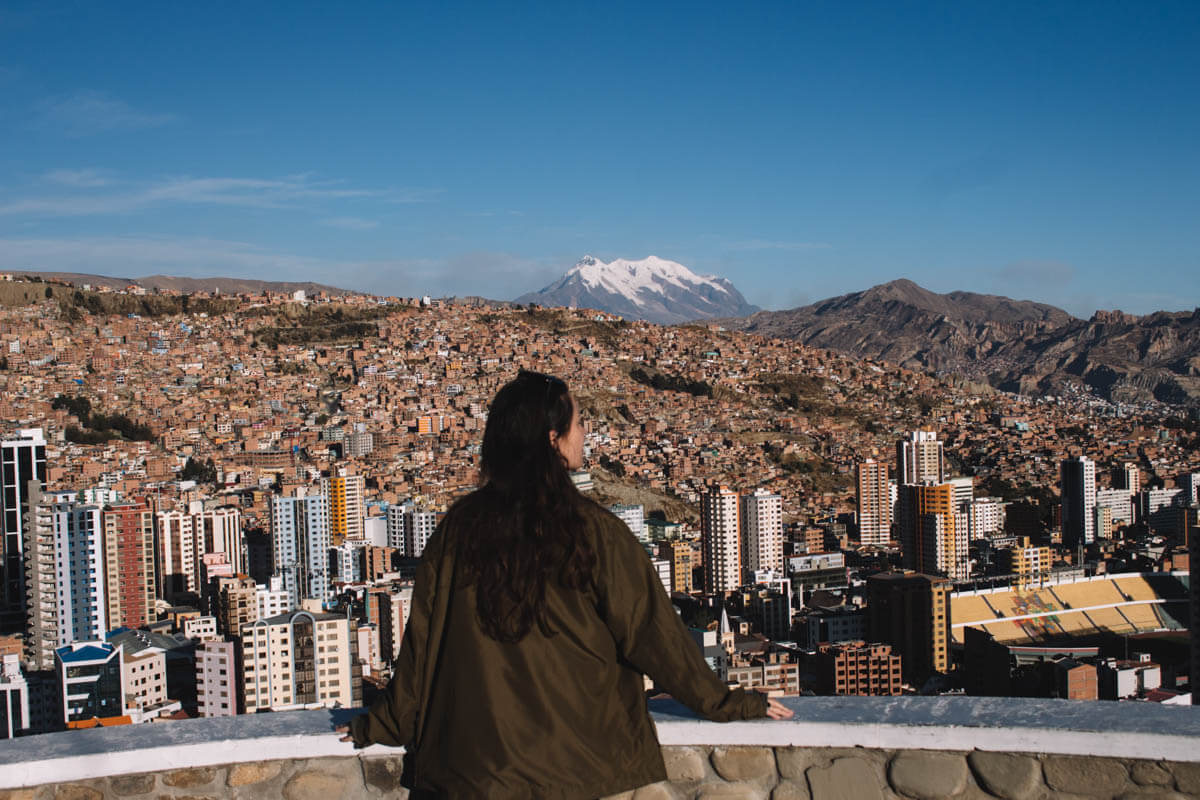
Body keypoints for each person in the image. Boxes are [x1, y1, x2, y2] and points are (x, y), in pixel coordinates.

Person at [338, 369, 792, 798]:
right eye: (577, 424)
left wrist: (382, 724)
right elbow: (654, 635)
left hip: (473, 770)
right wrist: (727, 703)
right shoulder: (594, 533)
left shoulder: (457, 530)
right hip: (572, 767)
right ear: (551, 439)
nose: (583, 435)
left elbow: (422, 647)